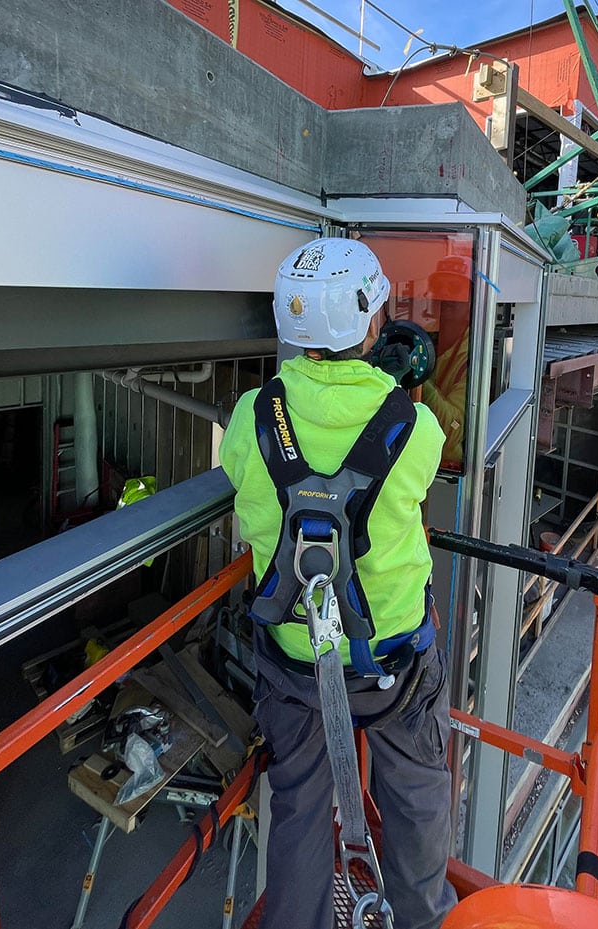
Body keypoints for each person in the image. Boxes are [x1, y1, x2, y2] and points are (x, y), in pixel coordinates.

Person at [219, 237, 456, 929]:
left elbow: (266, 458)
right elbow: (418, 465)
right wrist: (384, 386)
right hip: (392, 666)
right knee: (415, 798)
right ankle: (421, 916)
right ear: (367, 323)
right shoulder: (413, 427)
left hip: (294, 661)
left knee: (297, 806)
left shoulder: (250, 417)